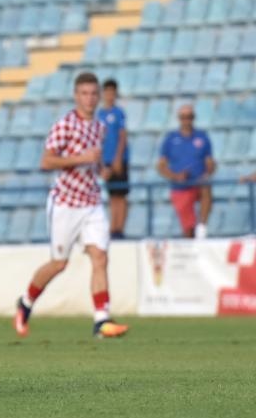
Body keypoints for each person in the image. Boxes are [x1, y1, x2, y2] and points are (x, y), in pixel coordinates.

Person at [14, 72, 129, 340]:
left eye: (93, 93)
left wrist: (102, 169)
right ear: (76, 96)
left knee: (100, 256)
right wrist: (81, 158)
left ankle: (102, 320)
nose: (89, 98)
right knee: (59, 264)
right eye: (84, 93)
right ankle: (26, 302)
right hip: (65, 203)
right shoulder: (65, 125)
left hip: (91, 201)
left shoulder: (99, 127)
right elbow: (46, 162)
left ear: (99, 96)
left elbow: (93, 161)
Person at [157, 103, 215, 239]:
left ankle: (202, 226)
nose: (186, 120)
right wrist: (176, 176)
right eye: (183, 117)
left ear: (193, 118)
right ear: (179, 119)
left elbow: (210, 163)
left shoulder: (202, 137)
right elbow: (161, 166)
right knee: (188, 230)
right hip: (180, 187)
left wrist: (206, 174)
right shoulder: (170, 139)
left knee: (206, 188)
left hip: (197, 182)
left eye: (189, 117)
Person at [97, 79, 129, 239]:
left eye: (112, 93)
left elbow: (122, 136)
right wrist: (101, 163)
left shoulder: (118, 113)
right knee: (112, 195)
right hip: (106, 159)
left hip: (119, 159)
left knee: (121, 194)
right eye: (107, 92)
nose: (110, 96)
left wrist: (118, 158)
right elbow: (98, 140)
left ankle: (119, 227)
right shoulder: (99, 115)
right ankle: (113, 227)